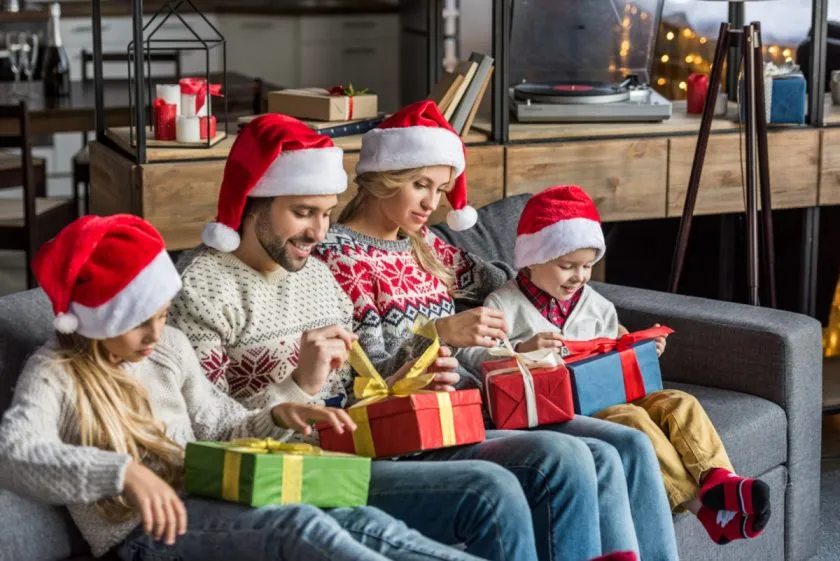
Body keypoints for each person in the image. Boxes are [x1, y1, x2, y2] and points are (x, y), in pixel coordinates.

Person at [312, 101, 677, 561]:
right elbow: (359, 379)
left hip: (483, 399)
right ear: (384, 175)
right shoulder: (340, 256)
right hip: (425, 421)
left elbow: (513, 277)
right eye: (419, 185)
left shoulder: (425, 245)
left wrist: (597, 326)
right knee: (583, 456)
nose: (432, 203)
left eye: (441, 189)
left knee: (627, 442)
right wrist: (439, 333)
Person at [0, 214, 484, 561]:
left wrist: (282, 411)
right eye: (136, 323)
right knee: (300, 528)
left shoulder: (168, 347)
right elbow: (15, 452)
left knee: (364, 521)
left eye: (162, 315)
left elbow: (222, 424)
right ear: (94, 321)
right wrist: (123, 472)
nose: (155, 334)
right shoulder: (56, 372)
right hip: (143, 535)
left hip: (215, 497)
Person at [169, 114, 542, 561]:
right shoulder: (202, 290)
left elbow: (360, 387)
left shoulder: (319, 277)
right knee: (491, 488)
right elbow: (207, 436)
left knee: (500, 484)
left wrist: (410, 375)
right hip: (286, 470)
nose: (319, 233)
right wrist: (300, 386)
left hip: (353, 448)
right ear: (253, 201)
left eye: (326, 213)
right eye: (303, 213)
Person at [483, 184, 772, 545]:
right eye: (566, 266)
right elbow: (481, 359)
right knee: (633, 422)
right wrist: (523, 349)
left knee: (680, 402)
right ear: (532, 258)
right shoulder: (502, 304)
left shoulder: (596, 304)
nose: (579, 276)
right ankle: (703, 508)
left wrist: (640, 347)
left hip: (616, 393)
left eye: (588, 266)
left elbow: (614, 347)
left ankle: (720, 481)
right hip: (569, 411)